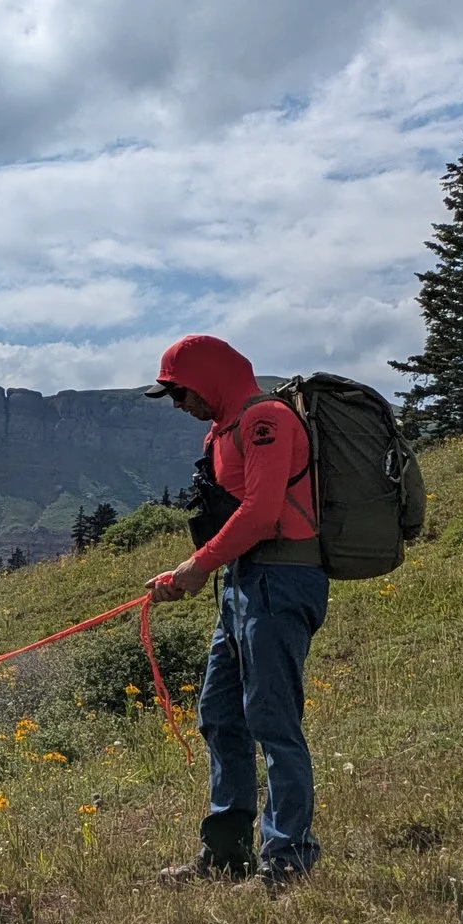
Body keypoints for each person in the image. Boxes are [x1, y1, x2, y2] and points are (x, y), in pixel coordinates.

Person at [143, 334, 327, 890]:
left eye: (180, 393)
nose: (179, 405)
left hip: (283, 579)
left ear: (209, 378)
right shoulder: (219, 433)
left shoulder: (264, 420)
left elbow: (263, 510)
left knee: (272, 719)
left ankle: (288, 861)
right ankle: (225, 855)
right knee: (221, 715)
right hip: (244, 583)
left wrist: (197, 565)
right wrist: (205, 570)